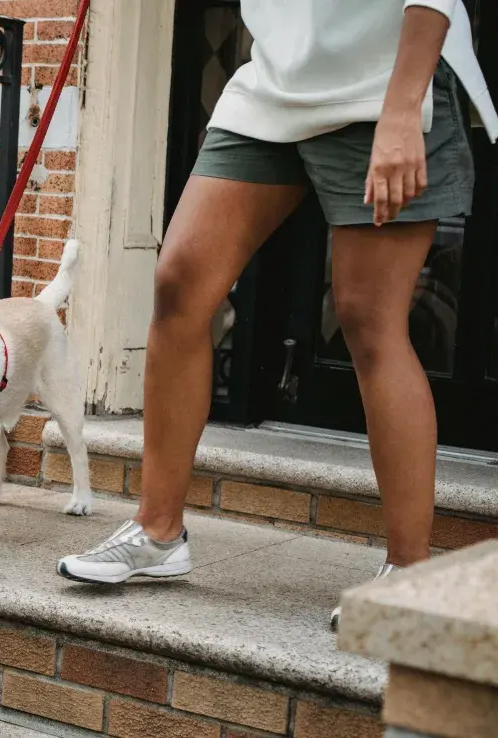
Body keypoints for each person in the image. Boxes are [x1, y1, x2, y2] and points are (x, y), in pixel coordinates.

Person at [56, 0, 498, 629]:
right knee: (179, 284)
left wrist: (403, 108)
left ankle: (411, 570)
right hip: (276, 87)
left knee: (369, 320)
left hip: (387, 84)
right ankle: (158, 533)